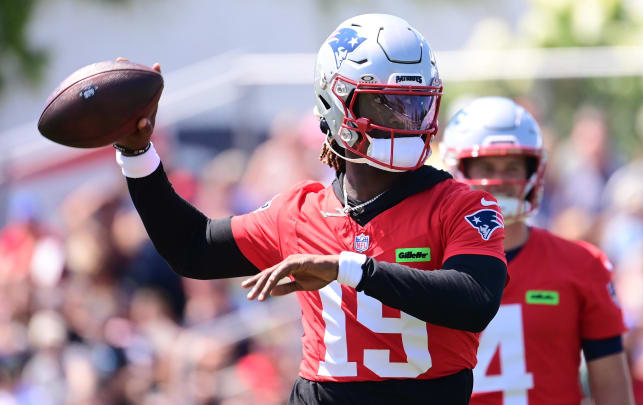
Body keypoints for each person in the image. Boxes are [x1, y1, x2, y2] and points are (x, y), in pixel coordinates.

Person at [112, 14, 508, 404]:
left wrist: (347, 268)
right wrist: (137, 154)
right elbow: (193, 248)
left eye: (416, 104)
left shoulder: (461, 204)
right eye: (388, 105)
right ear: (336, 103)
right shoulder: (301, 212)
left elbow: (475, 299)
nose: (407, 119)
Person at [441, 97, 634, 405]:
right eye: (487, 166)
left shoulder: (582, 264)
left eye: (513, 166)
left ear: (535, 170)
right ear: (457, 168)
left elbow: (612, 387)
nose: (500, 180)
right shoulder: (426, 262)